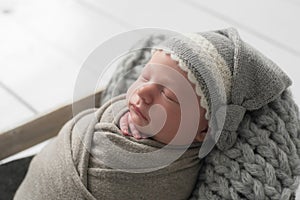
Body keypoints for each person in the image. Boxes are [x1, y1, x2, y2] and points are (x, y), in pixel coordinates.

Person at [15, 28, 300, 200]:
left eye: (169, 95)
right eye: (145, 76)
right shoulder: (119, 111)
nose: (143, 93)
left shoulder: (167, 175)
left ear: (203, 132)